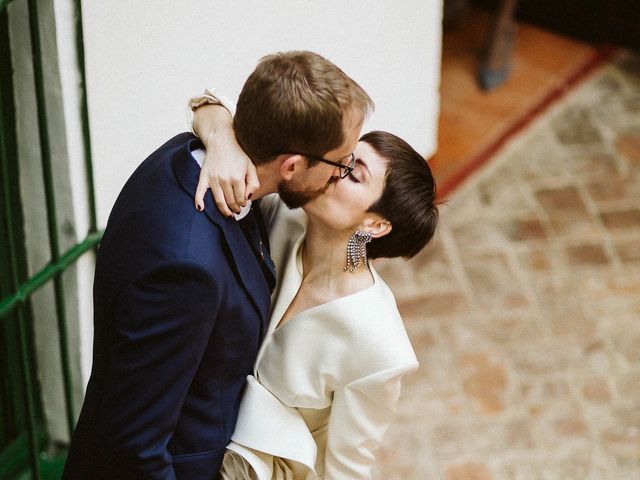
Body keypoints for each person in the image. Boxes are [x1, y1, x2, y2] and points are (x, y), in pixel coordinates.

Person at [62, 51, 372, 480]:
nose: (341, 174)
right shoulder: (187, 270)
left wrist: (216, 124)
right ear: (293, 166)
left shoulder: (187, 155)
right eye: (341, 163)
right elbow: (133, 447)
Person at [189, 101, 438, 479]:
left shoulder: (381, 347)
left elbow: (347, 469)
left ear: (374, 225)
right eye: (345, 158)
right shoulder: (281, 213)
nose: (335, 170)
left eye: (354, 174)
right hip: (193, 428)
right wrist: (222, 139)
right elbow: (207, 108)